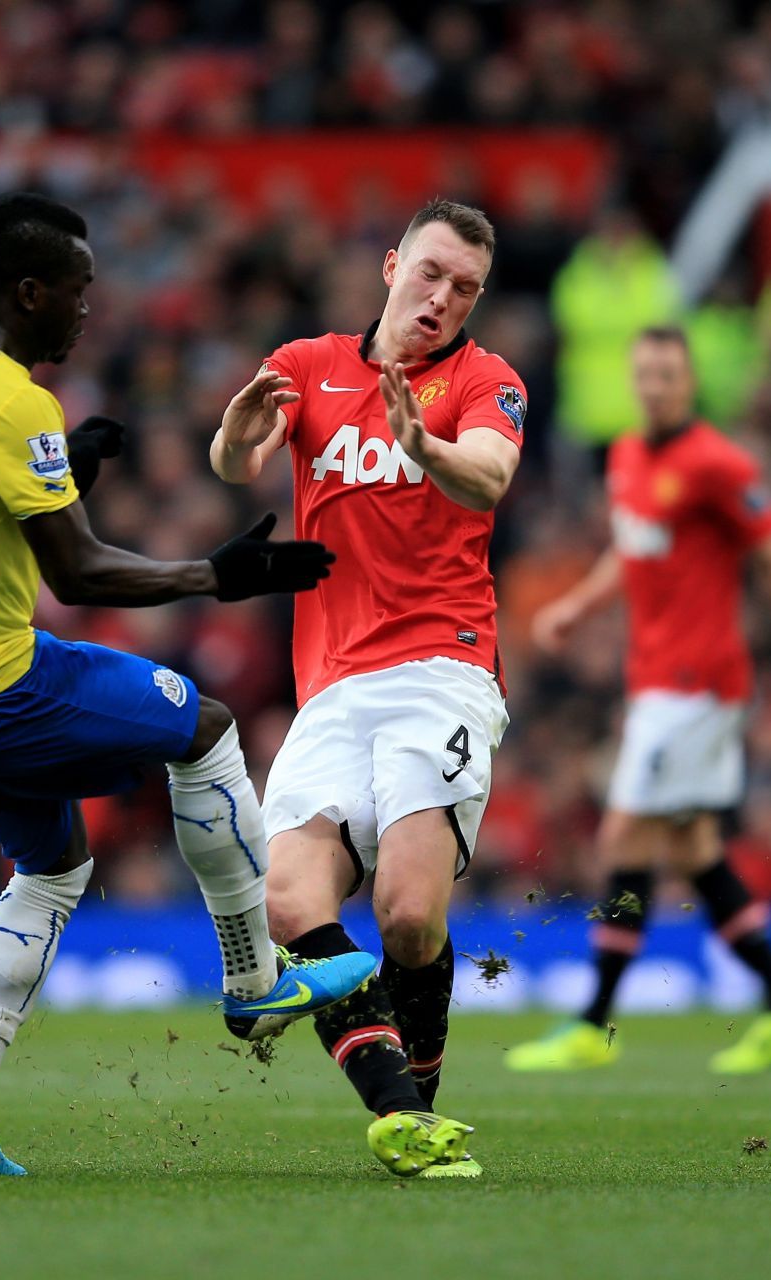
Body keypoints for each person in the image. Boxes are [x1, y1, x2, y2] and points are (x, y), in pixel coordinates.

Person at [0, 192, 376, 1177]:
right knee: (208, 725)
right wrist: (214, 577)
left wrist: (68, 474)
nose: (89, 309)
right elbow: (80, 575)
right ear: (27, 291)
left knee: (52, 867)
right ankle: (254, 975)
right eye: (77, 292)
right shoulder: (14, 400)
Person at [209, 198, 528, 1178]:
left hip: (444, 669)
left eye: (465, 287)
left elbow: (490, 476)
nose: (442, 298)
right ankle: (400, 1111)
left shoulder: (486, 380)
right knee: (290, 897)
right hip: (333, 685)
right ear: (392, 265)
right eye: (430, 273)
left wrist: (423, 444)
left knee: (407, 915)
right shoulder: (308, 363)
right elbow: (241, 462)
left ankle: (415, 1093)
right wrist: (232, 436)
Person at [503, 326, 771, 1076]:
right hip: (656, 680)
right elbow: (633, 543)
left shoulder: (717, 463)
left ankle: (593, 1021)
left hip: (699, 684)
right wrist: (579, 605)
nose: (655, 386)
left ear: (690, 382)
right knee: (692, 849)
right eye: (644, 374)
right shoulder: (627, 455)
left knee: (622, 836)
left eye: (668, 374)